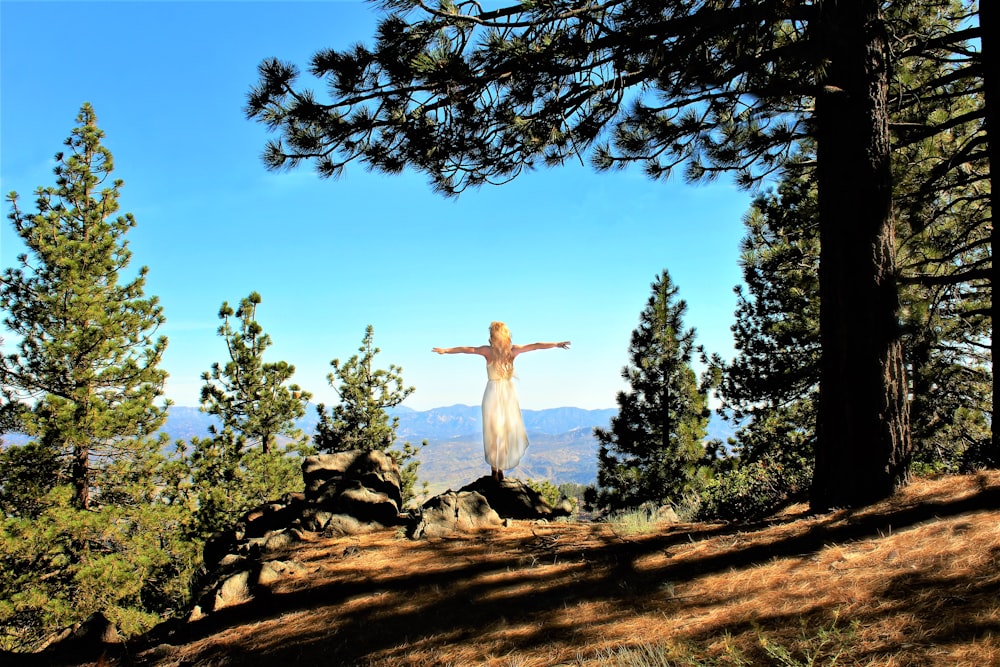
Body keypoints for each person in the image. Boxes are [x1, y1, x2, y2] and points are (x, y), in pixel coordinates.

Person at [433, 321, 571, 482]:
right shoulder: (491, 351)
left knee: (504, 431)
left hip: (506, 394)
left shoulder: (509, 351)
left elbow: (535, 346)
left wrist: (556, 344)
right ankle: (494, 468)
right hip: (495, 393)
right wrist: (446, 350)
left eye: (492, 334)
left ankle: (499, 468)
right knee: (494, 430)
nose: (491, 337)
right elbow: (467, 349)